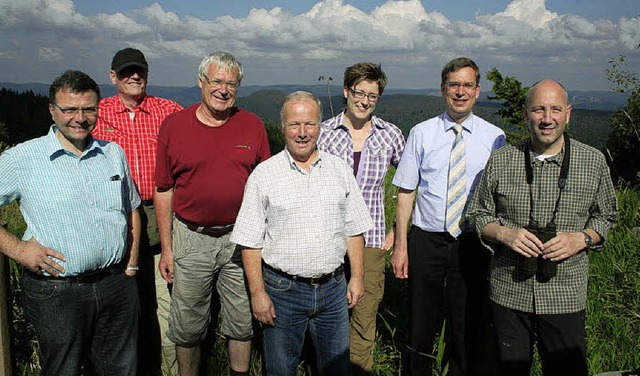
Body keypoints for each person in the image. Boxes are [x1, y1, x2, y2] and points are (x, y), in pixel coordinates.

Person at [466, 79, 618, 375]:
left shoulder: (593, 161)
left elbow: (607, 216)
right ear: (526, 114)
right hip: (509, 290)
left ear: (568, 114)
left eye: (555, 110)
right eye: (538, 110)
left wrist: (582, 238)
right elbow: (477, 214)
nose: (547, 119)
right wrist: (503, 234)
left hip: (565, 293)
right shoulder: (501, 160)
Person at [0, 70, 141, 375]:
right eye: (70, 109)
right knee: (63, 369)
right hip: (57, 292)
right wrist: (19, 250)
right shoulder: (22, 159)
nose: (80, 118)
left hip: (115, 284)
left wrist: (131, 264)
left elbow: (131, 208)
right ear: (53, 111)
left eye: (88, 109)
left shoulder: (112, 153)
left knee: (121, 369)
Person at [230, 91, 373, 375]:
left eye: (309, 124)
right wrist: (258, 294)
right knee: (281, 369)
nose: (302, 133)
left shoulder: (339, 170)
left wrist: (356, 277)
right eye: (294, 125)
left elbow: (354, 230)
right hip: (283, 291)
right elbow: (250, 242)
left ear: (320, 126)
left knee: (337, 369)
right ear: (282, 127)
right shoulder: (264, 174)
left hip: (334, 291)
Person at [154, 52, 270, 376]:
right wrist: (167, 247)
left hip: (240, 239)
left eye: (231, 83)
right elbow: (163, 189)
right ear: (201, 82)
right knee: (188, 326)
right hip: (191, 238)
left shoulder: (252, 125)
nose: (223, 89)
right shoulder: (174, 126)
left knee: (242, 321)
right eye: (216, 81)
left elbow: (266, 186)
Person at [391, 57, 506, 375]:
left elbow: (499, 197)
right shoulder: (422, 133)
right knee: (420, 318)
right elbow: (405, 192)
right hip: (426, 238)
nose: (460, 91)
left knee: (467, 319)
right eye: (454, 84)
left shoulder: (494, 138)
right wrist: (402, 245)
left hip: (472, 241)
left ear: (478, 91)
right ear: (443, 89)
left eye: (467, 85)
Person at [93, 47, 183, 376]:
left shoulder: (169, 110)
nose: (135, 76)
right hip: (114, 218)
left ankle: (168, 369)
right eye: (127, 71)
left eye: (140, 71)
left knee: (164, 302)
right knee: (123, 303)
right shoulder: (96, 113)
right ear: (113, 77)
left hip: (161, 213)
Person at [317, 62, 404, 374]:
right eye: (359, 92)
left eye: (373, 95)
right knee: (327, 313)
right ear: (346, 92)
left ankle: (359, 370)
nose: (365, 100)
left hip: (371, 238)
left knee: (365, 313)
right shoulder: (323, 133)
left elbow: (411, 185)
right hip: (327, 238)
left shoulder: (390, 135)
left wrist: (396, 233)